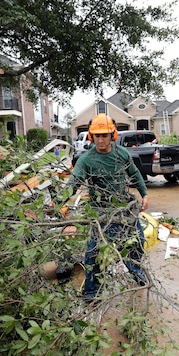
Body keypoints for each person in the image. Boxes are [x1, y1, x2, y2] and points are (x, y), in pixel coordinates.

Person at [66, 113, 149, 302]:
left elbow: (135, 174)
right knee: (93, 253)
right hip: (100, 212)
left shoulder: (122, 154)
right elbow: (73, 183)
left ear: (112, 135)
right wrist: (59, 199)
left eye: (105, 135)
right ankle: (90, 293)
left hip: (123, 210)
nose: (101, 139)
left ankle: (137, 274)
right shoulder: (86, 160)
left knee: (136, 243)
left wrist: (144, 194)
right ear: (91, 137)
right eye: (97, 136)